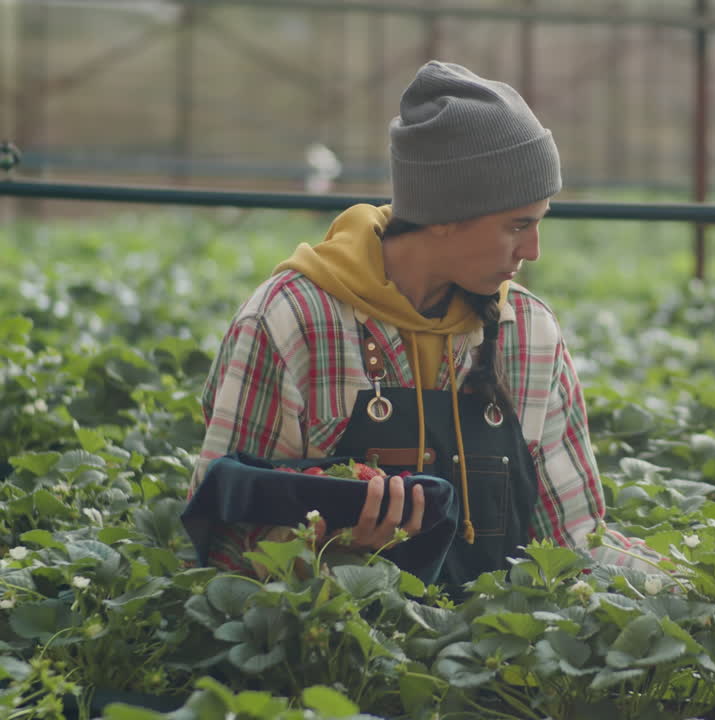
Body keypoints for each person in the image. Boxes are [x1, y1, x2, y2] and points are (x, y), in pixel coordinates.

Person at [188, 60, 657, 585]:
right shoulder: (294, 322)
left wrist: (701, 591)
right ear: (445, 216)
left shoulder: (527, 331)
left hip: (499, 657)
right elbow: (223, 549)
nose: (534, 250)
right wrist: (327, 548)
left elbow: (575, 547)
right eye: (517, 225)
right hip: (339, 654)